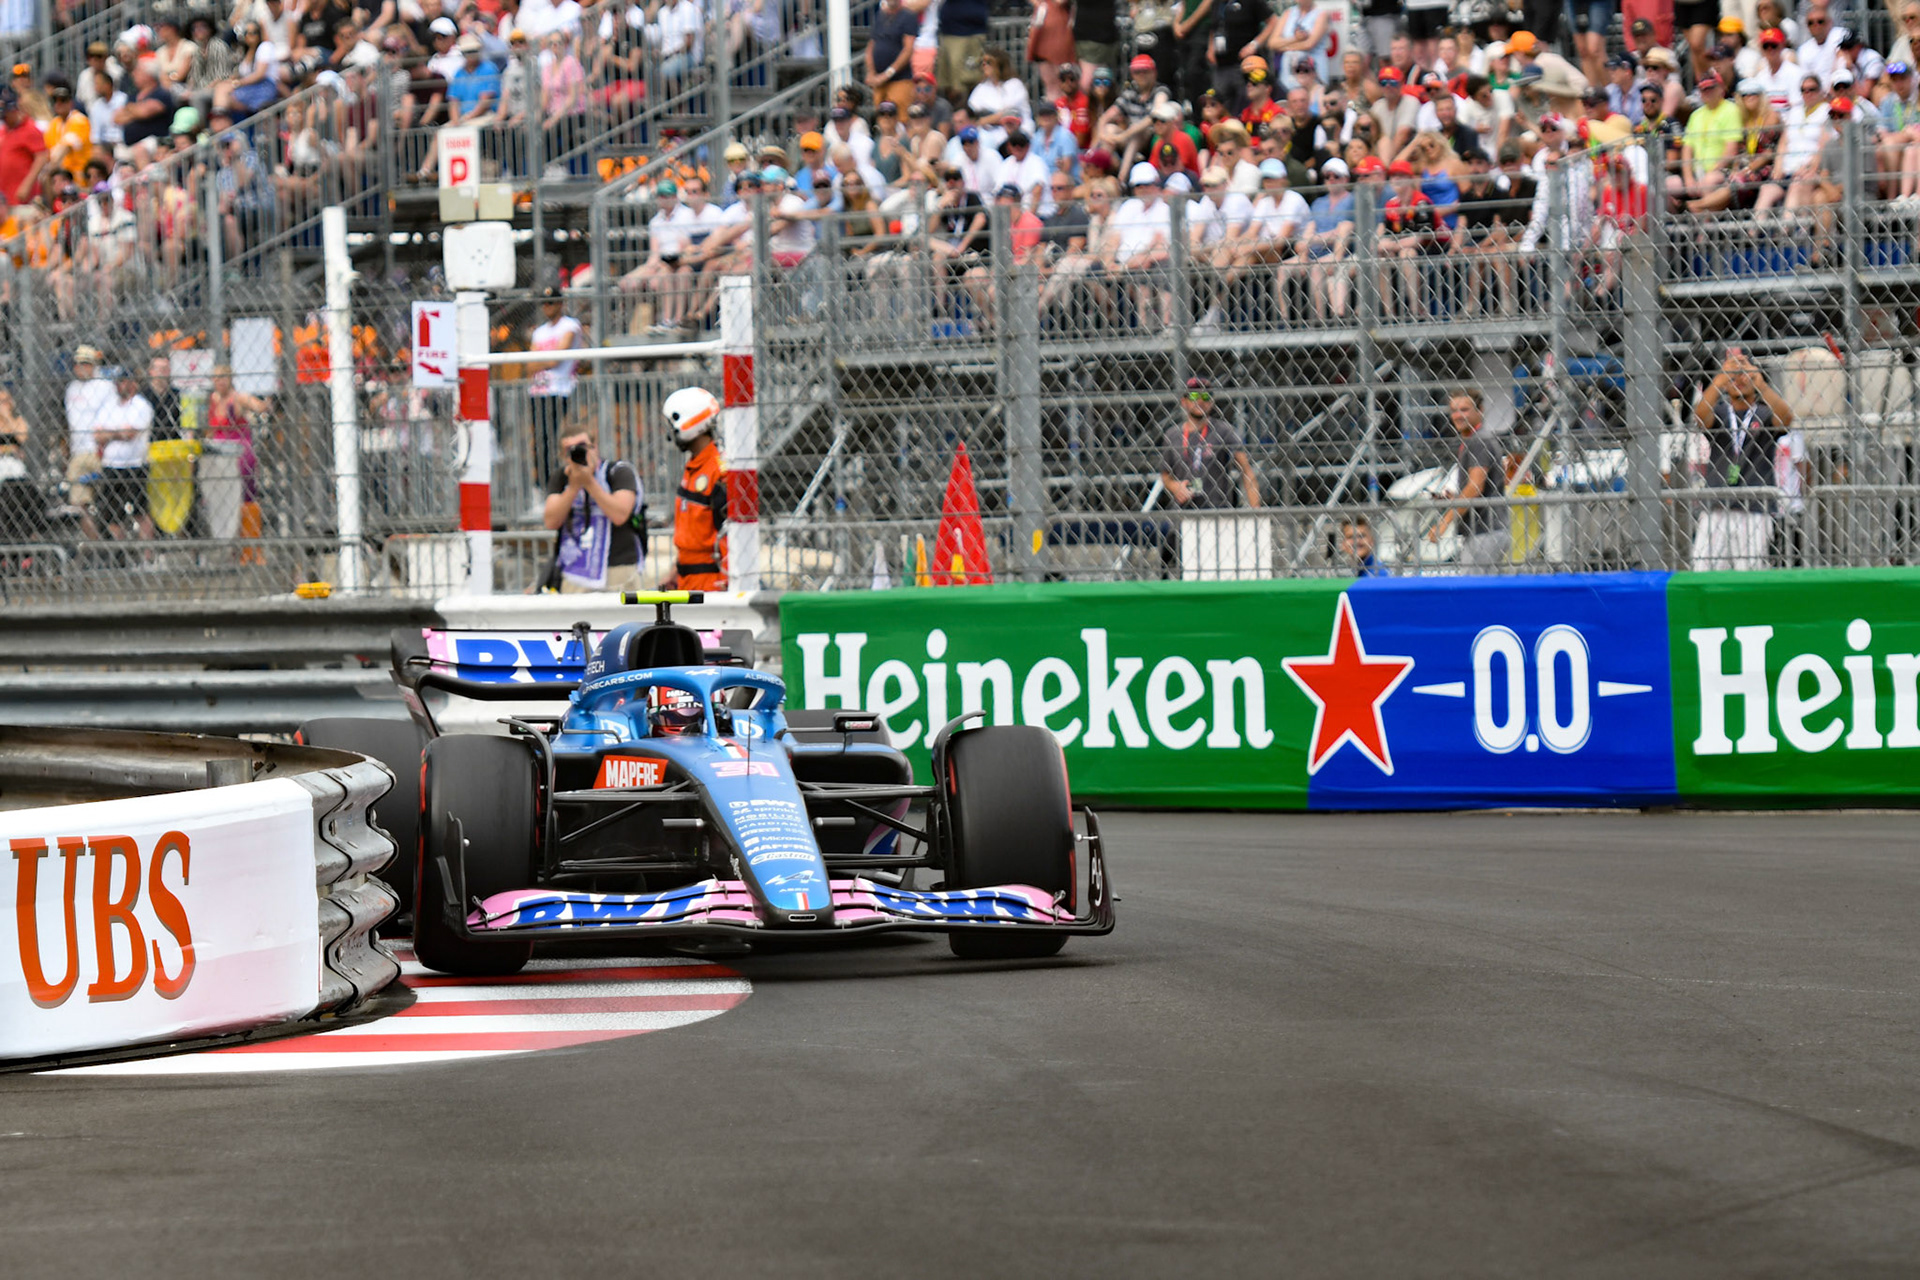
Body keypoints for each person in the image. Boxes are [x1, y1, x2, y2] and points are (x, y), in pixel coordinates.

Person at [1692, 347, 1792, 571]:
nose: (1739, 379)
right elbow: (1700, 419)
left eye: (1744, 374)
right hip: (1717, 506)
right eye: (1734, 375)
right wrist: (1720, 379)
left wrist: (1760, 383)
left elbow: (1786, 419)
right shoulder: (1719, 412)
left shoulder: (1764, 413)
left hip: (1755, 507)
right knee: (1703, 571)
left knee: (1750, 573)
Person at [543, 424, 645, 592]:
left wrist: (589, 482)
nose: (578, 453)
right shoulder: (561, 478)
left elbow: (619, 515)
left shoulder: (618, 472)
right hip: (575, 571)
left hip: (618, 568)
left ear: (594, 447)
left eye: (582, 447)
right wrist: (574, 486)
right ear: (563, 456)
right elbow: (551, 521)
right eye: (570, 450)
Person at [1429, 388, 1508, 568]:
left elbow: (1475, 487)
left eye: (1464, 410)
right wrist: (1455, 498)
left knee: (1474, 592)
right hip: (1483, 530)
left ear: (1480, 410)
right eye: (1454, 411)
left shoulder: (1479, 441)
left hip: (1485, 532)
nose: (1457, 416)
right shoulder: (1474, 440)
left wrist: (1445, 521)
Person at [1159, 377, 1260, 508]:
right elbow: (1165, 475)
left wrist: (1256, 511)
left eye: (1206, 396)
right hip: (1184, 513)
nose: (1200, 401)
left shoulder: (1224, 431)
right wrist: (1175, 487)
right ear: (1184, 402)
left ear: (1212, 402)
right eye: (1194, 396)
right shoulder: (1172, 435)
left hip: (1217, 513)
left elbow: (1246, 469)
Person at [663, 385, 727, 591]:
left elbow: (728, 534)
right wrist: (675, 570)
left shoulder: (717, 471)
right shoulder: (695, 467)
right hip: (688, 579)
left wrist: (726, 582)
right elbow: (692, 534)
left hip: (711, 582)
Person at [526, 286, 585, 483]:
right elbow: (529, 365)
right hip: (539, 391)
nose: (546, 307)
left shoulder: (570, 325)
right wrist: (546, 360)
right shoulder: (539, 332)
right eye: (544, 303)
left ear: (560, 303)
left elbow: (556, 360)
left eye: (550, 302)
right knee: (541, 439)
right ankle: (543, 481)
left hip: (561, 390)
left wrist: (542, 361)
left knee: (558, 438)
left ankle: (561, 480)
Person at [93, 367, 155, 542]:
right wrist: (118, 433)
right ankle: (118, 556)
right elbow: (97, 435)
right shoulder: (108, 406)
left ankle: (147, 556)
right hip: (111, 465)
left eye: (123, 381)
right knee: (112, 515)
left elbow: (130, 434)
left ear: (133, 383)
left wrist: (110, 433)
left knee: (141, 512)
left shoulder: (141, 405)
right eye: (118, 382)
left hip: (135, 465)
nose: (119, 385)